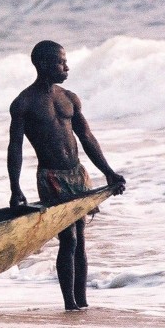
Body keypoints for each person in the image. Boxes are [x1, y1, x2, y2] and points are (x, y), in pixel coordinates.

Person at [8, 40, 126, 310]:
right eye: (61, 62)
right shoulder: (24, 103)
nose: (67, 67)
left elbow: (86, 137)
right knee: (68, 239)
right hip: (51, 177)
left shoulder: (70, 98)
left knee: (81, 238)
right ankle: (69, 303)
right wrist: (15, 188)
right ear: (43, 64)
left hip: (77, 174)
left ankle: (81, 302)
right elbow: (15, 147)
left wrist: (108, 172)